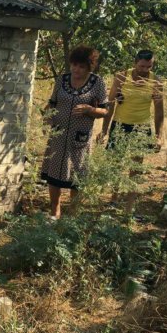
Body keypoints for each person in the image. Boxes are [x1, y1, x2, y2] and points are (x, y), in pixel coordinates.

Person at [41, 46, 109, 218]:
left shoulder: (97, 83)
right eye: (74, 65)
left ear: (89, 67)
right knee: (54, 173)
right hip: (59, 134)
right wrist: (46, 117)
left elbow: (104, 111)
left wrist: (89, 110)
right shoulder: (62, 80)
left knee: (77, 175)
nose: (76, 70)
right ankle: (55, 211)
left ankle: (73, 213)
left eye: (81, 67)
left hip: (80, 137)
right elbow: (52, 103)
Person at [99, 49, 164, 213]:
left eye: (148, 67)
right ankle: (113, 200)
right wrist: (104, 130)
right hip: (120, 124)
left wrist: (158, 136)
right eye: (142, 66)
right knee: (115, 164)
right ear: (135, 63)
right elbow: (111, 103)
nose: (144, 70)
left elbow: (159, 110)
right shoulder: (121, 77)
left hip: (141, 127)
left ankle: (129, 207)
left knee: (135, 168)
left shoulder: (156, 81)